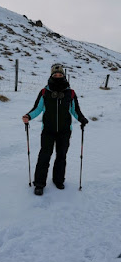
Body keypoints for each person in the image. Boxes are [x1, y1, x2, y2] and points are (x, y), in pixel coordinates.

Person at [22, 64, 88, 196]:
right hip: (48, 130)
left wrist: (81, 118)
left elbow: (75, 110)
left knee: (61, 156)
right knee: (44, 156)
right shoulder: (44, 92)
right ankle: (39, 184)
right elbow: (38, 108)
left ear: (64, 76)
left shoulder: (71, 93)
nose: (58, 76)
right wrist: (28, 116)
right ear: (51, 76)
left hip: (64, 131)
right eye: (55, 75)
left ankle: (58, 180)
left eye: (60, 75)